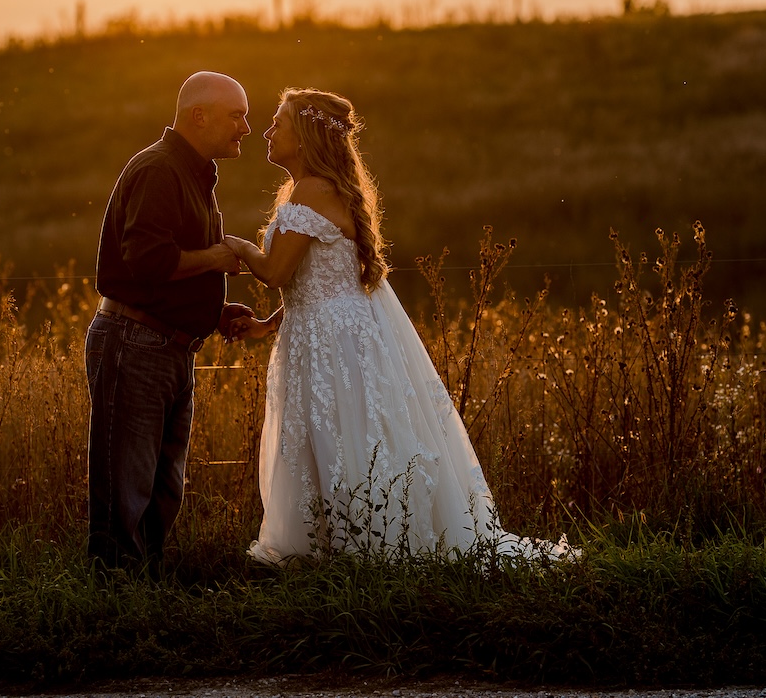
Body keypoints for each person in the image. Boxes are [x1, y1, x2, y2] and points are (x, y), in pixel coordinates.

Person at [224, 88, 575, 564]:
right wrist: (269, 324)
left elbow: (276, 273)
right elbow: (320, 281)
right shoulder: (313, 190)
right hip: (327, 331)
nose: (268, 131)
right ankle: (344, 541)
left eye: (277, 122)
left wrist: (234, 247)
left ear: (303, 137)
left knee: (338, 436)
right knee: (334, 436)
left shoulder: (311, 192)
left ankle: (364, 544)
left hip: (332, 342)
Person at [87, 71, 258, 571]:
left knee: (162, 488)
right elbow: (148, 261)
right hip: (135, 343)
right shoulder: (160, 170)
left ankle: (143, 595)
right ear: (197, 116)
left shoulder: (195, 173)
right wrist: (218, 257)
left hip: (166, 344)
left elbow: (164, 270)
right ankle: (114, 602)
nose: (245, 127)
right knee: (127, 489)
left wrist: (214, 312)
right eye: (236, 115)